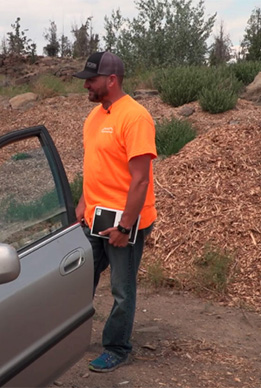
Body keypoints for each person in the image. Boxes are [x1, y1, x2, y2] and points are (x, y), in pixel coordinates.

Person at [73, 51, 157, 373]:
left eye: (91, 80)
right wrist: (82, 204)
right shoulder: (95, 117)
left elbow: (140, 181)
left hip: (125, 221)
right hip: (94, 217)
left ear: (111, 80)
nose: (86, 87)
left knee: (122, 290)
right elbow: (95, 168)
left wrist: (124, 227)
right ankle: (71, 337)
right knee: (81, 280)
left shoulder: (135, 117)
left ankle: (117, 347)